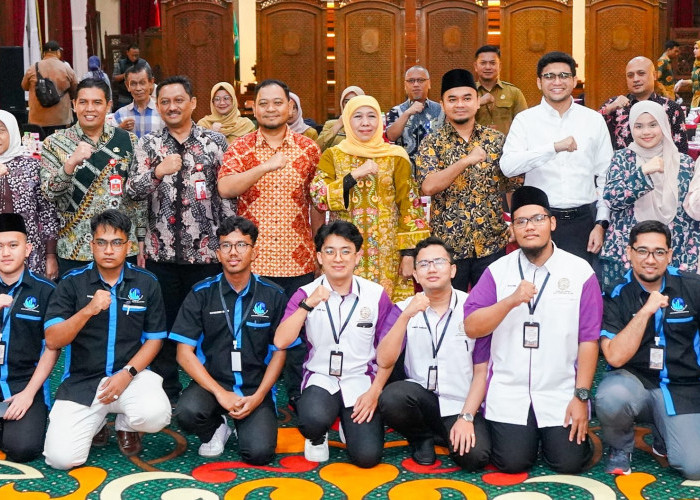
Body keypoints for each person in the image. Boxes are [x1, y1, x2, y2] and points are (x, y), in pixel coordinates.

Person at [463, 186, 601, 473]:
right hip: (509, 390)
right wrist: (510, 301)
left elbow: (589, 340)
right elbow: (472, 327)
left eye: (538, 219)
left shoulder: (580, 273)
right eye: (521, 221)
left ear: (552, 222)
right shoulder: (497, 272)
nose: (530, 227)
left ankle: (561, 437)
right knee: (512, 463)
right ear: (513, 229)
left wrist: (581, 396)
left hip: (559, 389)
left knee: (568, 462)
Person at [126, 75, 234, 403]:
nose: (172, 107)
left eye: (178, 100)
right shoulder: (148, 144)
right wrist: (157, 172)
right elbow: (132, 192)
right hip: (161, 255)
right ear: (158, 106)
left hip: (206, 255)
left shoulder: (215, 142)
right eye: (165, 102)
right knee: (162, 327)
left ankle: (211, 392)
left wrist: (227, 245)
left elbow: (226, 198)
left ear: (192, 103)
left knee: (212, 327)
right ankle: (167, 392)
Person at [218, 79, 322, 410]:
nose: (271, 109)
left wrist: (318, 251)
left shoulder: (309, 149)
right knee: (252, 332)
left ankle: (297, 395)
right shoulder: (240, 148)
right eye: (264, 103)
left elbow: (317, 204)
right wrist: (264, 167)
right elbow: (226, 188)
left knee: (298, 334)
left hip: (298, 258)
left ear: (290, 107)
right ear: (254, 108)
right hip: (255, 261)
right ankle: (256, 395)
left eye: (278, 102)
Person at [42, 210, 171, 469]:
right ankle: (97, 421)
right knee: (60, 459)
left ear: (128, 246)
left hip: (130, 376)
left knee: (156, 414)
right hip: (83, 381)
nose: (109, 250)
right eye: (101, 242)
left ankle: (125, 424)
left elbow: (154, 340)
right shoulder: (72, 283)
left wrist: (128, 373)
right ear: (92, 245)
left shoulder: (147, 282)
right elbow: (53, 340)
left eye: (116, 243)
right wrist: (87, 311)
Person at [274, 220, 393, 467]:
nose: (338, 258)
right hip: (320, 378)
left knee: (367, 457)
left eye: (345, 251)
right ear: (319, 257)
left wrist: (375, 392)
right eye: (330, 251)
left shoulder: (376, 295)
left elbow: (388, 353)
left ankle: (348, 426)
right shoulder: (305, 293)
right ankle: (317, 437)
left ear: (357, 256)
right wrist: (308, 305)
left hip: (361, 380)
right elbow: (281, 340)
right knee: (312, 419)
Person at [170, 216, 288, 463]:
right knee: (187, 413)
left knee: (259, 454)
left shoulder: (274, 294)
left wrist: (259, 396)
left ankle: (249, 421)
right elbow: (183, 353)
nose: (233, 252)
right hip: (213, 383)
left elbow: (280, 352)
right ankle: (216, 428)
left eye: (242, 245)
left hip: (255, 387)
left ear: (254, 252)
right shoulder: (201, 293)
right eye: (226, 245)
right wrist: (220, 393)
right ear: (218, 253)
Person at [597, 220, 700, 479]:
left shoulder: (693, 286)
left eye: (659, 252)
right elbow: (614, 356)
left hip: (683, 388)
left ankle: (664, 436)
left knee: (695, 468)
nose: (650, 260)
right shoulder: (615, 293)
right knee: (611, 397)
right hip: (635, 383)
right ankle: (620, 447)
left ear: (670, 255)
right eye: (642, 251)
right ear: (629, 253)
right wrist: (646, 311)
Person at [377, 236, 490, 470]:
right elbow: (384, 360)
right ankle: (421, 437)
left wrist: (467, 417)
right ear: (416, 275)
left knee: (475, 458)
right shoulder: (403, 308)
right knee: (392, 397)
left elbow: (483, 371)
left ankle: (444, 433)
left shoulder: (474, 308)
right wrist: (406, 316)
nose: (431, 269)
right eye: (424, 264)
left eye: (439, 262)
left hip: (462, 402)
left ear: (453, 270)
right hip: (421, 400)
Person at [501, 51, 613, 275]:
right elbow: (508, 166)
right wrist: (553, 148)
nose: (557, 82)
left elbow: (606, 176)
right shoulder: (525, 120)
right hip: (539, 221)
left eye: (563, 75)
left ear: (574, 80)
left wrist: (601, 223)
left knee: (580, 285)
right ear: (539, 82)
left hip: (584, 221)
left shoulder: (593, 120)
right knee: (538, 285)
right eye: (549, 76)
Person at [311, 95, 429, 302]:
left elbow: (410, 206)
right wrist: (353, 176)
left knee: (387, 308)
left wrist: (409, 254)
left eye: (371, 116)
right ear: (347, 120)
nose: (365, 123)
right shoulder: (333, 155)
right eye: (358, 116)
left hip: (388, 251)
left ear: (380, 121)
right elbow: (319, 197)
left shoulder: (396, 156)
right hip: (344, 251)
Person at [416, 69, 520, 293]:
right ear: (442, 105)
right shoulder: (432, 142)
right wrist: (465, 161)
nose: (460, 104)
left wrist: (515, 222)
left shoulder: (496, 140)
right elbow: (428, 186)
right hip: (448, 247)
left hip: (492, 242)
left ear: (477, 102)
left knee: (492, 306)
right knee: (449, 308)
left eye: (467, 98)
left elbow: (512, 186)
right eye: (452, 99)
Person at [39, 78, 146, 275]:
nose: (90, 109)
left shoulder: (128, 141)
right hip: (74, 249)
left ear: (108, 105)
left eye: (97, 102)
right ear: (74, 105)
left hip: (121, 246)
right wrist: (70, 163)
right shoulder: (54, 143)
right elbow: (49, 194)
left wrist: (140, 240)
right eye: (83, 102)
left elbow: (138, 197)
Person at [601, 101, 699, 288]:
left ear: (664, 125)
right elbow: (612, 199)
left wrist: (690, 257)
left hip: (676, 253)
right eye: (638, 126)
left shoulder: (685, 163)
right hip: (629, 254)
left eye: (653, 125)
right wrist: (643, 171)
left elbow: (691, 211)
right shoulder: (622, 159)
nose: (646, 132)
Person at [0, 213, 58, 462]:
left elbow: (52, 349)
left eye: (13, 245)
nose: (5, 253)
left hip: (24, 383)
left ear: (27, 249)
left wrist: (28, 394)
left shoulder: (46, 291)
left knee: (23, 448)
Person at [0, 111, 59, 278]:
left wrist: (50, 255)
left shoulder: (31, 165)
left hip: (31, 254)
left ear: (12, 132)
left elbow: (47, 213)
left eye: (1, 131)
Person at [599, 56, 688, 153]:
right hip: (621, 162)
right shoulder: (614, 105)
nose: (635, 79)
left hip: (662, 162)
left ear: (654, 75)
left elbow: (681, 150)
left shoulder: (671, 108)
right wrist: (608, 109)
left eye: (641, 73)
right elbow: (591, 131)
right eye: (630, 75)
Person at [385, 66, 442, 171]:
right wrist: (407, 113)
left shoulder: (440, 110)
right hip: (405, 171)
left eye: (420, 80)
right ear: (405, 85)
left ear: (429, 83)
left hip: (434, 171)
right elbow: (391, 137)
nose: (415, 84)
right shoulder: (396, 111)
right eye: (411, 81)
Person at [21, 40, 78, 136]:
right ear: (58, 52)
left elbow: (24, 86)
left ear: (44, 53)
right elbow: (75, 90)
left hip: (37, 119)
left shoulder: (32, 68)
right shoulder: (66, 68)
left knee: (39, 145)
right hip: (61, 119)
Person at [473, 45, 528, 135]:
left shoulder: (514, 92)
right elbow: (458, 117)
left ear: (500, 66)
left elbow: (524, 124)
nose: (488, 67)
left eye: (493, 63)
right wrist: (478, 102)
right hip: (475, 143)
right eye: (483, 63)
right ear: (475, 66)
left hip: (506, 143)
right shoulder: (467, 93)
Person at [112, 64, 164, 139]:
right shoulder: (119, 115)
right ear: (127, 86)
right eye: (133, 84)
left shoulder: (162, 112)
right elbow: (111, 142)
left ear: (151, 83)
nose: (138, 88)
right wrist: (120, 129)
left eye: (142, 83)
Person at [316, 86, 365, 151]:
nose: (350, 104)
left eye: (355, 101)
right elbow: (316, 149)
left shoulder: (368, 125)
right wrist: (337, 126)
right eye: (346, 101)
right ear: (342, 104)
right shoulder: (330, 124)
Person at [112, 44, 152, 111]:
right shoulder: (121, 63)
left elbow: (150, 77)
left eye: (136, 55)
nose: (134, 57)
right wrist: (126, 75)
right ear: (127, 53)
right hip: (124, 97)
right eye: (132, 55)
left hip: (141, 95)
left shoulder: (144, 63)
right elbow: (114, 78)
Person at [674, 40, 700, 108]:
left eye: (697, 48)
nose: (694, 51)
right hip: (696, 99)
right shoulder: (696, 64)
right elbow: (696, 81)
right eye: (694, 48)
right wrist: (683, 82)